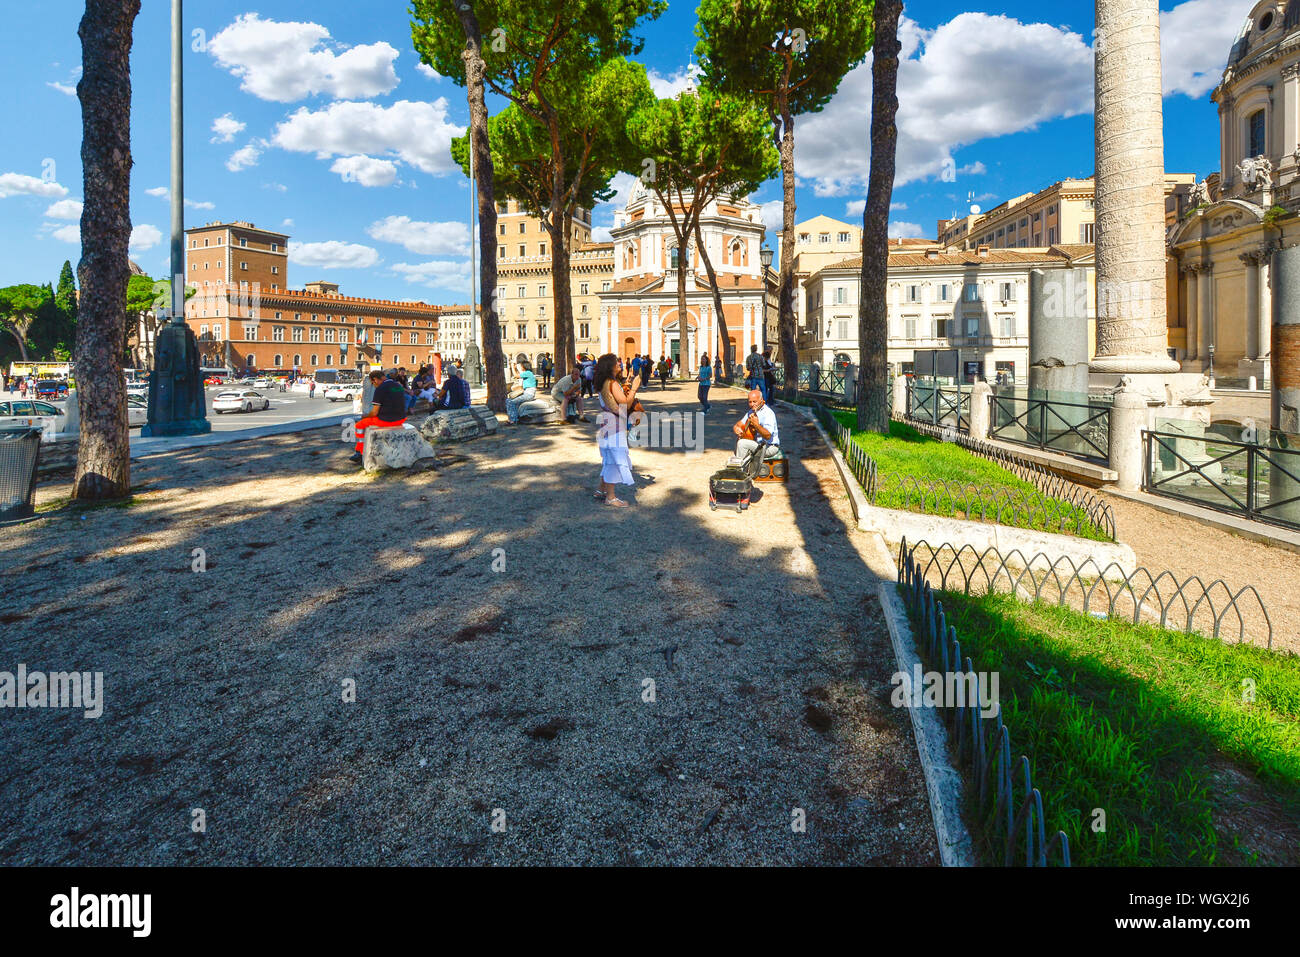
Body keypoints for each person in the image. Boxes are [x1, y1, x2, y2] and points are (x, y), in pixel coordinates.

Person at [594, 354, 641, 507]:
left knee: (609, 457)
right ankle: (611, 497)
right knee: (615, 459)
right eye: (617, 362)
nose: (620, 364)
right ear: (610, 366)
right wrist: (634, 388)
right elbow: (625, 405)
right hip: (614, 425)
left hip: (606, 423)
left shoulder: (604, 382)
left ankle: (601, 490)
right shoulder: (612, 383)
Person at [352, 369, 408, 464]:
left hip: (387, 420)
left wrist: (365, 416)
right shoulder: (397, 386)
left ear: (375, 379)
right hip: (401, 418)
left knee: (359, 425)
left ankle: (359, 451)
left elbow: (374, 412)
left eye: (372, 383)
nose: (374, 385)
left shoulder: (381, 388)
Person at [733, 388, 781, 462]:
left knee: (742, 443)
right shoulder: (751, 412)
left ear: (761, 400)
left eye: (754, 401)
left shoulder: (768, 413)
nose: (752, 404)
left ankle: (740, 471)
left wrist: (756, 425)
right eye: (750, 402)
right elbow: (738, 424)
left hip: (769, 447)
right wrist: (736, 428)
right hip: (757, 445)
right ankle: (742, 467)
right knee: (739, 443)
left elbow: (768, 436)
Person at [505, 359, 537, 425]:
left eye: (521, 366)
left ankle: (513, 420)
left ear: (524, 366)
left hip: (528, 394)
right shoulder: (528, 373)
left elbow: (516, 376)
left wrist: (512, 367)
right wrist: (515, 368)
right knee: (509, 400)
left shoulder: (528, 373)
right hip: (527, 393)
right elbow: (519, 375)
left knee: (511, 402)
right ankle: (514, 418)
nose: (521, 367)